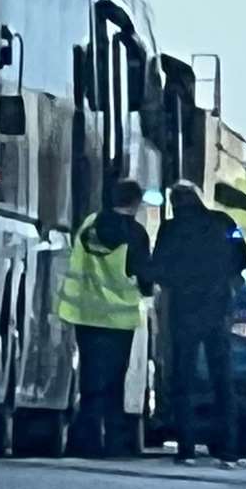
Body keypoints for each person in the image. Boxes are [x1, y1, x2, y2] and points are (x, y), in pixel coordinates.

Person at [152, 181, 246, 467]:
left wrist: (177, 283)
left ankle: (186, 449)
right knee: (222, 380)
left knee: (183, 380)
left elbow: (159, 266)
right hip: (218, 309)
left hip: (183, 310)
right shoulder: (223, 222)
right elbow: (243, 257)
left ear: (174, 203)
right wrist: (222, 277)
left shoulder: (169, 230)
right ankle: (228, 450)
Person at [57, 179, 152, 458]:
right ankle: (112, 442)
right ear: (135, 203)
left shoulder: (89, 225)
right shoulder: (136, 234)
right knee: (114, 381)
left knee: (89, 379)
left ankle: (85, 439)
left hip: (86, 313)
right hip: (119, 320)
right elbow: (143, 276)